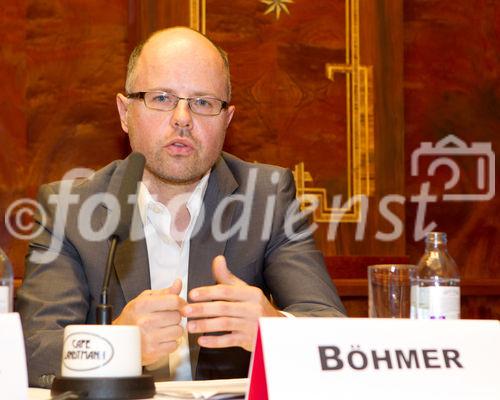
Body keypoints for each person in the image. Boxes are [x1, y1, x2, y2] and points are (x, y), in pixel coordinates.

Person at [17, 27, 346, 387]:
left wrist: (274, 330)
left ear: (227, 120)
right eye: (161, 98)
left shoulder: (267, 197)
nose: (183, 118)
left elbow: (331, 327)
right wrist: (119, 344)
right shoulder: (70, 209)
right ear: (125, 112)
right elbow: (34, 350)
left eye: (203, 102)